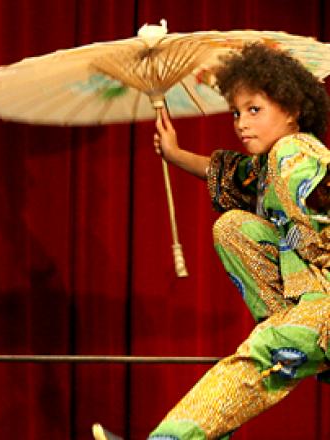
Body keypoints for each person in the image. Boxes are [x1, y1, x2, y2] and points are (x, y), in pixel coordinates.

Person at [94, 43, 330, 440]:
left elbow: (319, 202)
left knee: (257, 358)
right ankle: (286, 326)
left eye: (254, 110)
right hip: (311, 303)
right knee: (233, 226)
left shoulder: (295, 153)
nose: (241, 123)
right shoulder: (270, 165)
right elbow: (230, 175)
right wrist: (174, 153)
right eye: (236, 112)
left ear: (292, 111)